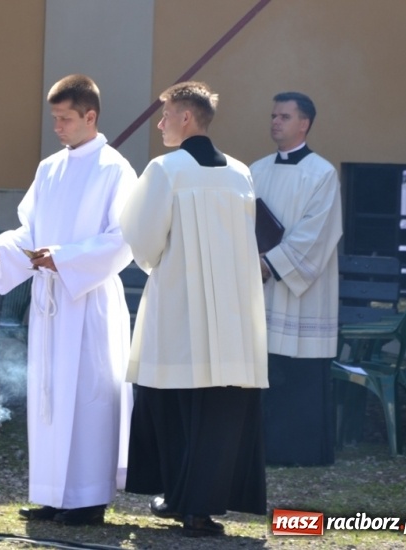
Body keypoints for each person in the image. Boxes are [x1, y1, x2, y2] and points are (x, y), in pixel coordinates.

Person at [0, 74, 136, 526]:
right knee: (48, 395)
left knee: (87, 396)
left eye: (66, 118)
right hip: (50, 303)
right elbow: (29, 232)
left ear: (91, 116)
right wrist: (3, 249)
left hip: (87, 301)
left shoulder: (114, 169)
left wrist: (64, 259)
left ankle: (87, 499)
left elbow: (122, 240)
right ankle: (51, 493)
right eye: (54, 119)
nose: (58, 127)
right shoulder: (49, 168)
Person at [120, 81, 268, 538]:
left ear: (186, 118)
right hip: (235, 316)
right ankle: (199, 508)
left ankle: (179, 496)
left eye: (165, 115)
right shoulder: (241, 172)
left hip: (180, 308)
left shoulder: (165, 170)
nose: (161, 124)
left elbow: (142, 239)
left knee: (176, 403)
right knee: (220, 409)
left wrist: (163, 267)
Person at [250, 92, 343, 466]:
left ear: (304, 123)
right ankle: (260, 449)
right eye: (273, 115)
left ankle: (301, 451)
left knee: (298, 372)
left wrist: (269, 263)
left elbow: (316, 234)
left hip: (300, 293)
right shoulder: (255, 171)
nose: (275, 121)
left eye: (284, 116)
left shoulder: (323, 173)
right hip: (261, 287)